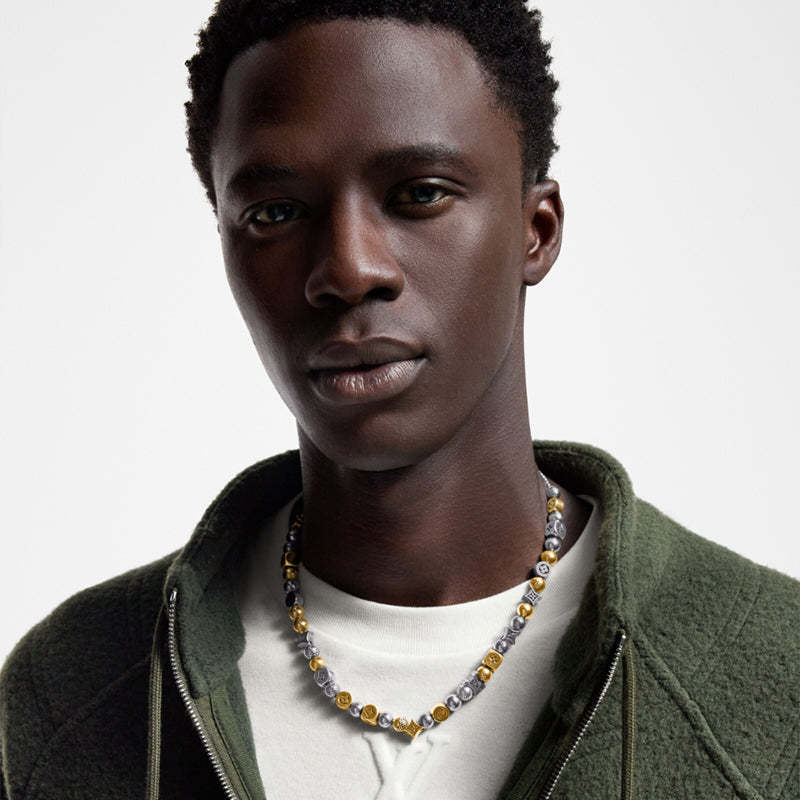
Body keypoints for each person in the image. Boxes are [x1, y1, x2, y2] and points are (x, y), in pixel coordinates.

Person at [1, 1, 797, 798]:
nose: (349, 270)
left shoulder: (775, 672)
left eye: (419, 194)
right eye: (275, 213)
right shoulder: (73, 689)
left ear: (537, 230)